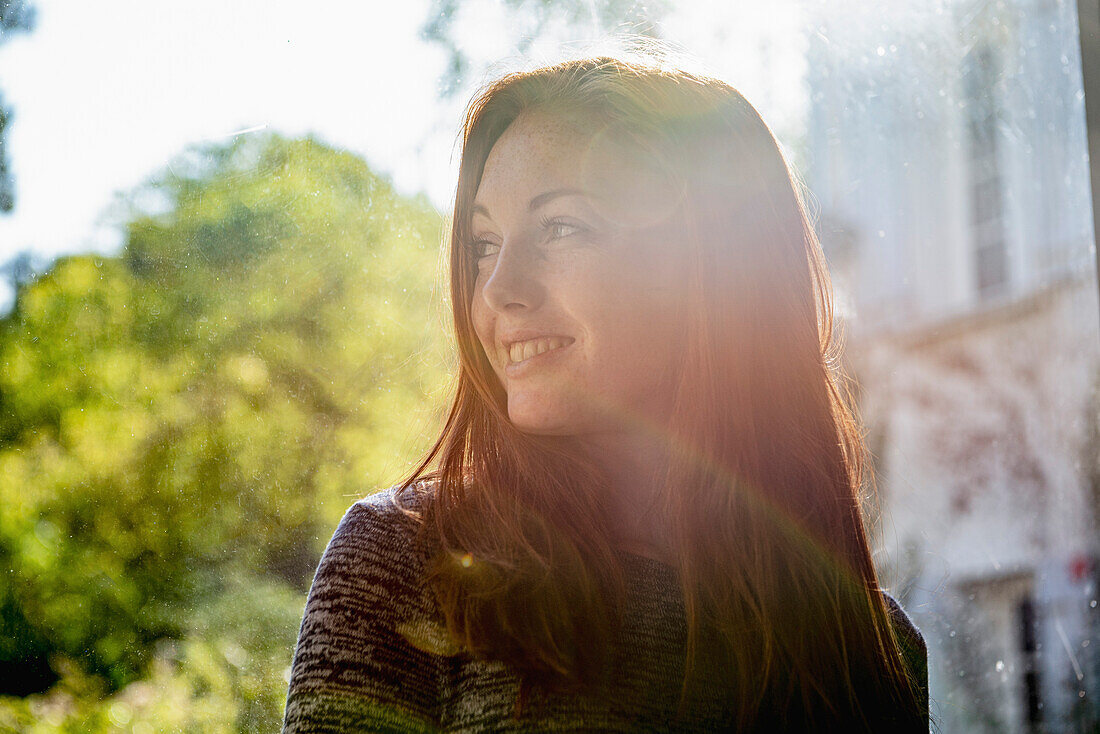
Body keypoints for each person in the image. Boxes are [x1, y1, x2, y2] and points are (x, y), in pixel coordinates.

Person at [282, 54, 930, 733]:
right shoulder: (402, 560)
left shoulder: (874, 650)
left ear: (709, 269)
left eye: (561, 228)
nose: (498, 290)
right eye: (483, 244)